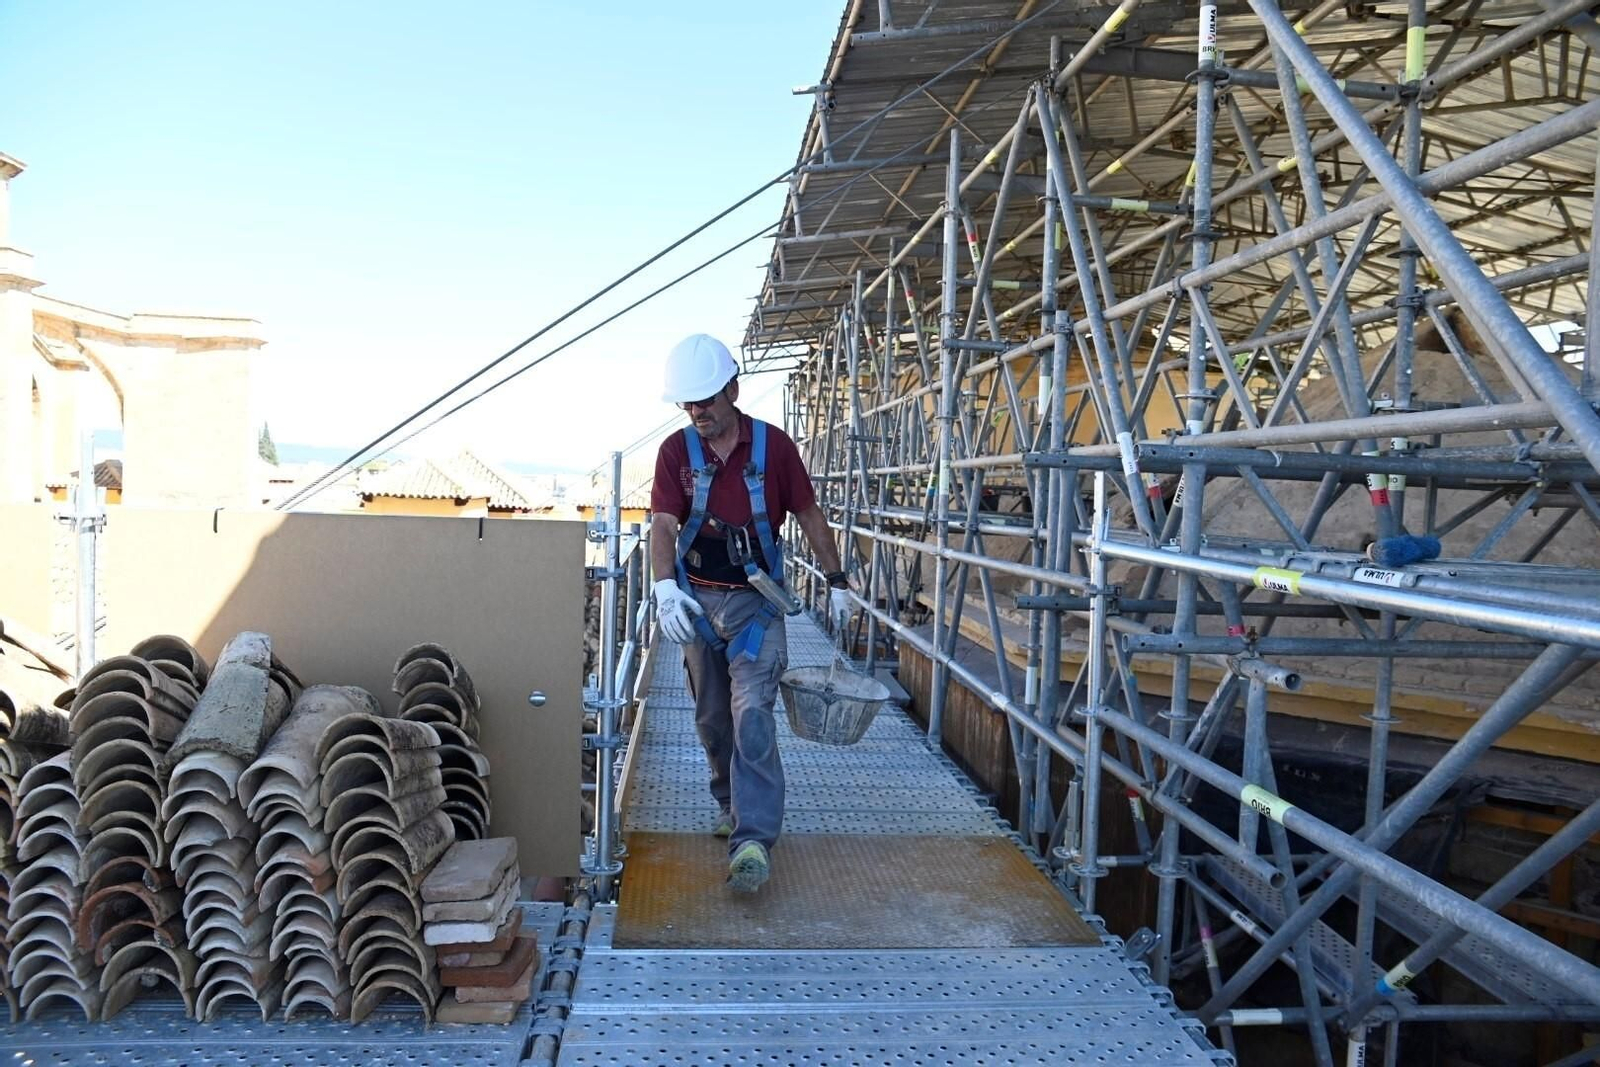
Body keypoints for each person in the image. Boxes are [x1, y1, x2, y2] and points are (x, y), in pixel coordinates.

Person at [650, 334, 850, 893]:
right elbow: (664, 524)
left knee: (753, 717)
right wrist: (665, 587)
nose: (697, 414)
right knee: (713, 720)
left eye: (706, 402)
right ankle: (729, 802)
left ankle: (753, 839)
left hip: (754, 607)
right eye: (688, 405)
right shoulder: (675, 453)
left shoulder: (774, 450)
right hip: (696, 602)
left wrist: (837, 580)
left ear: (733, 390)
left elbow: (808, 515)